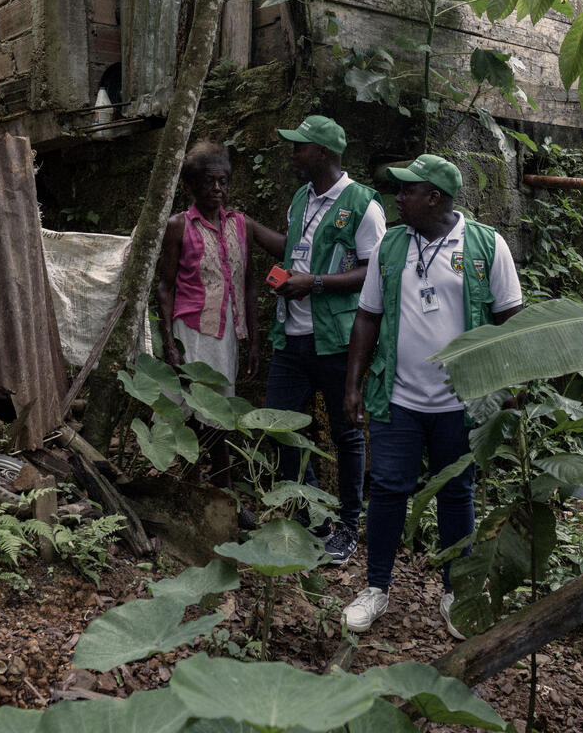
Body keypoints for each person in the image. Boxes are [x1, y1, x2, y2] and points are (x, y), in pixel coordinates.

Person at [341, 153, 524, 637]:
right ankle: (376, 587)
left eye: (407, 190)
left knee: (456, 492)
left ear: (434, 197)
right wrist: (353, 384)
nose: (397, 197)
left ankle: (456, 593)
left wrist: (507, 389)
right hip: (397, 398)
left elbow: (511, 321)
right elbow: (368, 316)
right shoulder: (391, 245)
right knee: (386, 489)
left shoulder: (487, 245)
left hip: (462, 403)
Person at [266, 115, 386, 564]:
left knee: (346, 433)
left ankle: (349, 527)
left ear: (323, 153)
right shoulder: (301, 197)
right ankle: (314, 516)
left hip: (336, 339)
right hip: (290, 336)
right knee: (281, 426)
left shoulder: (362, 205)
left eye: (300, 147)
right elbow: (295, 249)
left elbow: (374, 271)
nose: (293, 153)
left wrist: (313, 282)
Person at [158, 142, 280, 521]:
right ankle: (198, 493)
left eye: (223, 181)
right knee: (195, 414)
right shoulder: (180, 226)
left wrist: (255, 340)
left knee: (220, 414)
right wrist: (169, 343)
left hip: (227, 334)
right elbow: (165, 286)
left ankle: (222, 495)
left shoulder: (241, 225)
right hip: (192, 330)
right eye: (209, 182)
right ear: (193, 185)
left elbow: (251, 282)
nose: (217, 189)